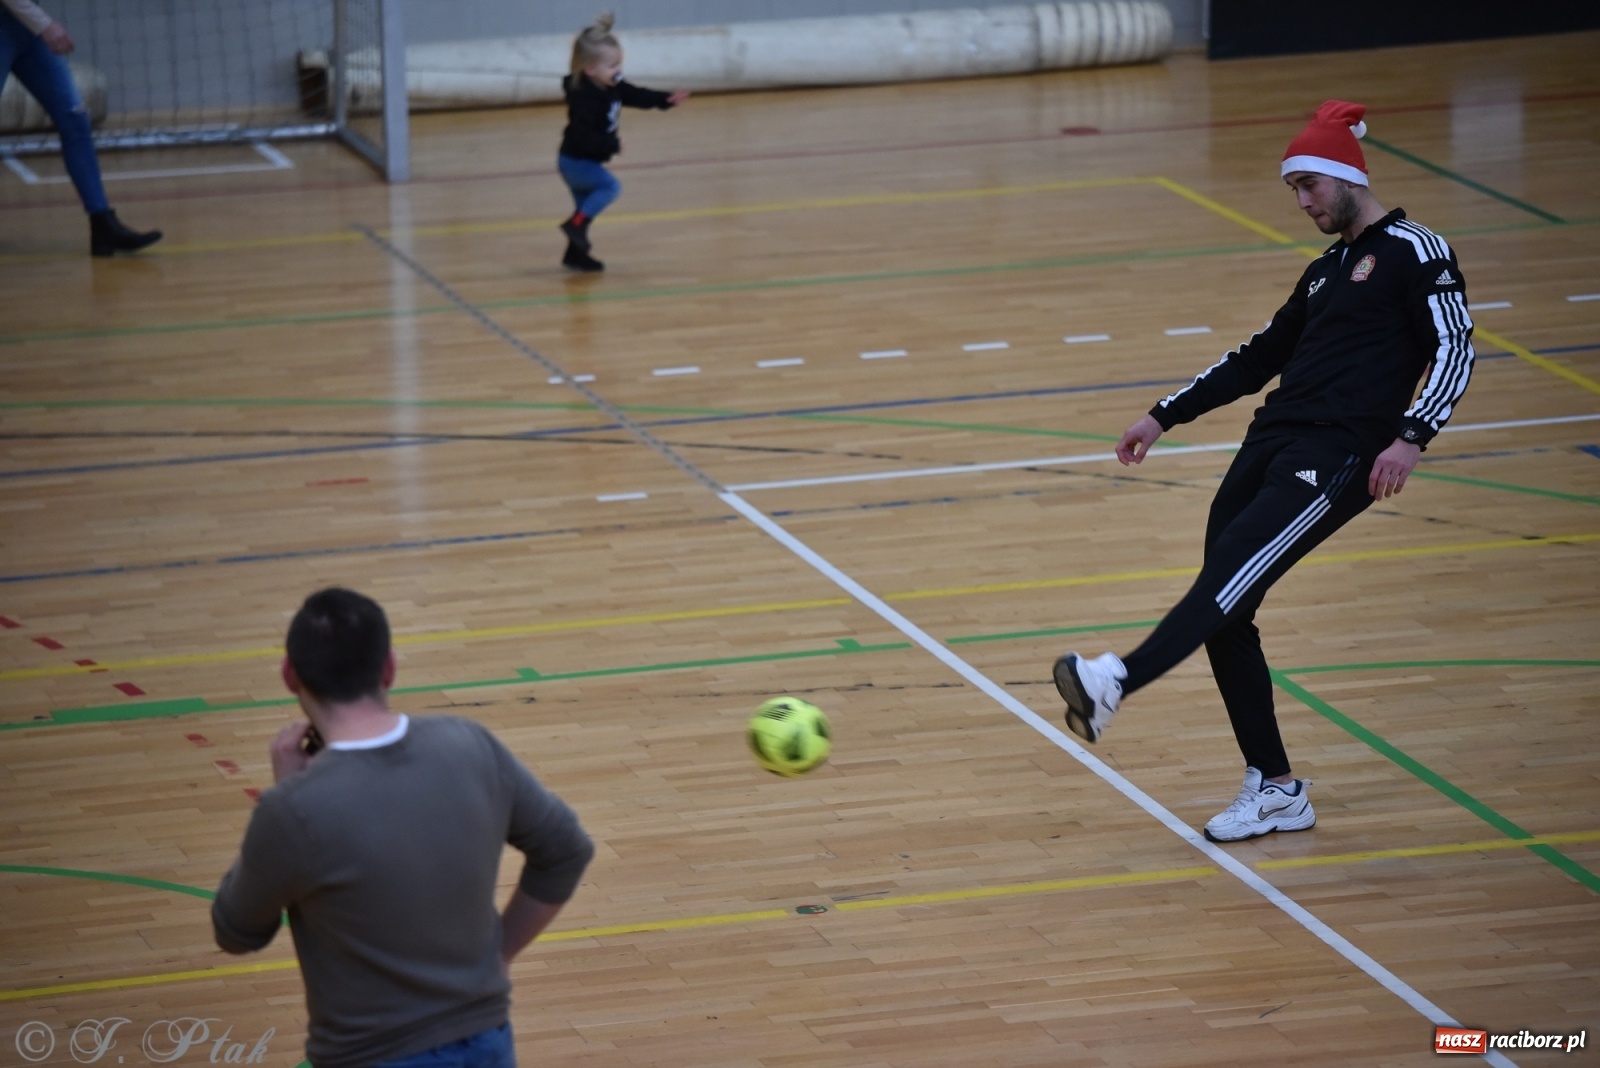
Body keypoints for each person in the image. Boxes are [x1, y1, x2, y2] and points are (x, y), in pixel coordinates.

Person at [1052, 100, 1476, 843]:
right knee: (1229, 610)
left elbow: (1457, 346)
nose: (1303, 201)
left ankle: (1115, 681)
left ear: (1347, 175)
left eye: (1310, 185)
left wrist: (1413, 434)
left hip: (1338, 457)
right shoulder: (1325, 272)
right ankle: (1277, 787)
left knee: (1225, 586)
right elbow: (1256, 357)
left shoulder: (1416, 248)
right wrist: (1163, 415)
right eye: (1295, 190)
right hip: (1269, 445)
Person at [212, 588, 595, 1068]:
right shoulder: (471, 746)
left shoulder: (294, 810)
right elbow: (566, 849)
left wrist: (281, 794)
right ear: (389, 667)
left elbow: (236, 930)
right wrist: (501, 951)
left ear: (291, 675)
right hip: (486, 1042)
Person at [0, 0, 161, 256]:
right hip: (15, 23)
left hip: (25, 30)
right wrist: (45, 25)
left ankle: (102, 225)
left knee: (75, 120)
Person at [556, 12, 688, 272]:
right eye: (612, 66)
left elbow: (636, 94)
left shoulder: (611, 87)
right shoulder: (584, 99)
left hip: (582, 159)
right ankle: (574, 225)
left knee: (585, 208)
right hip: (575, 161)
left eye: (619, 64)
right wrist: (612, 145)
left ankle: (575, 254)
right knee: (609, 188)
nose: (618, 71)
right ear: (590, 69)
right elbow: (584, 137)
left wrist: (664, 99)